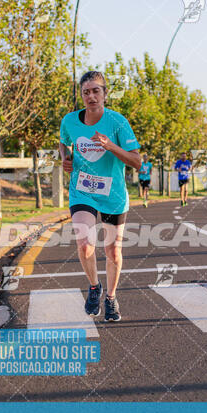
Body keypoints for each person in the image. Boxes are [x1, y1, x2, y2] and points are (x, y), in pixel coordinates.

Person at [59, 71, 141, 322]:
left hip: (113, 194)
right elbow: (64, 142)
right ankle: (94, 286)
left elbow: (136, 162)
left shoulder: (117, 122)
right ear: (81, 95)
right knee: (84, 244)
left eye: (96, 91)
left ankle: (111, 298)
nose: (91, 96)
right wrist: (65, 158)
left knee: (113, 250)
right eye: (86, 92)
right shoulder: (70, 121)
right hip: (82, 190)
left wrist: (111, 146)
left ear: (105, 94)